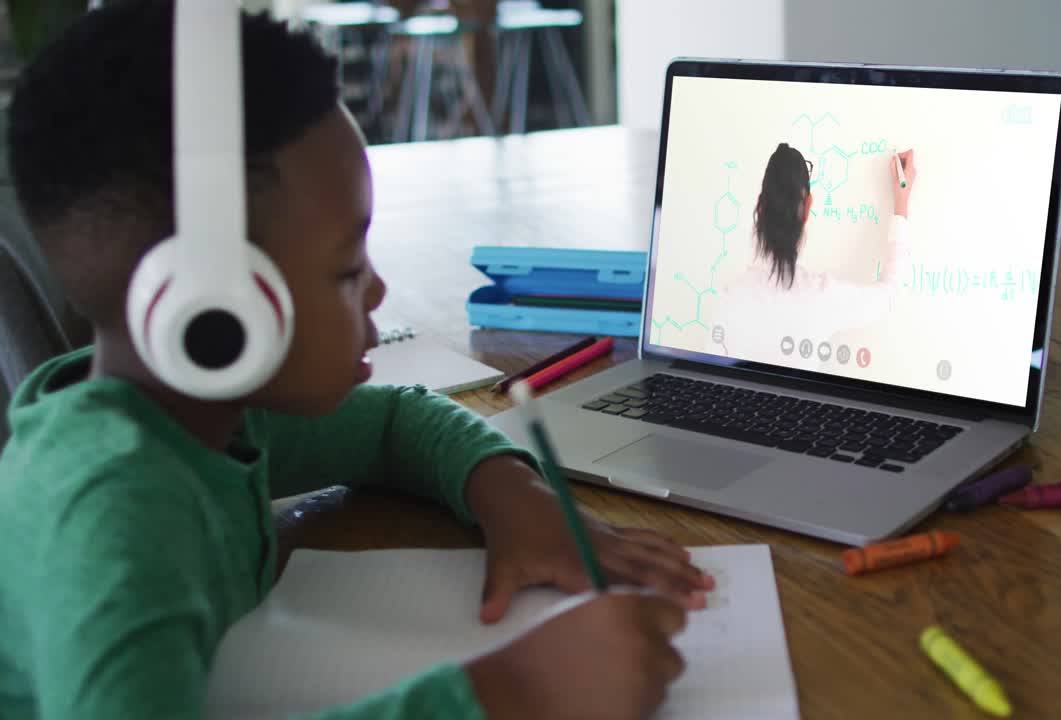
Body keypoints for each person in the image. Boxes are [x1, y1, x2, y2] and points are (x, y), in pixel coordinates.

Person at [0, 3, 712, 719]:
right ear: (214, 312)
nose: (376, 288)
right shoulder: (114, 523)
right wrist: (510, 694)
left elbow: (392, 422)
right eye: (346, 270)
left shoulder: (202, 417)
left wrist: (515, 499)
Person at [708, 142, 916, 362]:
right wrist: (901, 200)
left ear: (759, 208)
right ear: (807, 208)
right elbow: (889, 296)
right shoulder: (822, 296)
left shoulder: (729, 301)